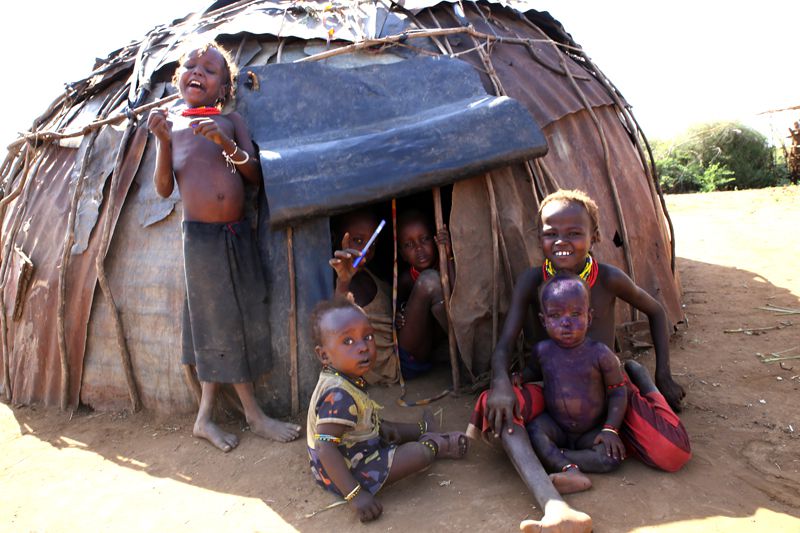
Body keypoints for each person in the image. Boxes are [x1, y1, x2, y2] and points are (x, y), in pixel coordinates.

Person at [470, 189, 690, 532]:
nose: (562, 241)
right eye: (551, 233)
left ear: (595, 236)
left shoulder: (608, 278)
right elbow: (505, 344)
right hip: (551, 385)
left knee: (672, 453)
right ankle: (552, 503)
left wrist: (663, 376)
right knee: (496, 407)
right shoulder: (532, 280)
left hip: (608, 386)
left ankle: (640, 379)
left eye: (574, 233)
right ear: (538, 235)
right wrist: (501, 383)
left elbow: (657, 311)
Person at [147, 42, 300, 452]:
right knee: (219, 325)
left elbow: (254, 175)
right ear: (179, 77)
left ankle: (205, 417)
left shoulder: (230, 121)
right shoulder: (172, 127)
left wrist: (224, 143)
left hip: (237, 234)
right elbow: (163, 190)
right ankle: (252, 415)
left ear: (224, 88)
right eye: (190, 65)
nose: (197, 71)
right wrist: (162, 141)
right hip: (200, 239)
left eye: (209, 69)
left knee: (236, 319)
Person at [306, 297, 468, 522]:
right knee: (417, 455)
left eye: (368, 337)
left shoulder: (342, 376)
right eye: (348, 341)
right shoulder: (339, 395)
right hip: (349, 472)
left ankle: (422, 428)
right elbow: (325, 447)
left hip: (352, 450)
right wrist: (355, 495)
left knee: (385, 427)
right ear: (324, 355)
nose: (363, 347)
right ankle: (435, 445)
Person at [523, 273, 627, 494]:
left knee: (611, 457)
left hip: (591, 430)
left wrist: (610, 429)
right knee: (534, 430)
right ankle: (568, 469)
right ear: (544, 321)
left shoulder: (600, 353)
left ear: (589, 318)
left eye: (575, 314)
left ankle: (558, 459)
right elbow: (532, 372)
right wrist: (517, 378)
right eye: (555, 315)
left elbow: (618, 391)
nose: (566, 323)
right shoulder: (542, 351)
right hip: (556, 425)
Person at [329, 209, 398, 384]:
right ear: (336, 237)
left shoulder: (369, 272)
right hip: (389, 367)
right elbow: (337, 320)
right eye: (358, 241)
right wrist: (344, 280)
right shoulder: (341, 282)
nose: (366, 250)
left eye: (372, 243)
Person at [394, 209, 455, 378]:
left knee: (443, 294)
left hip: (437, 341)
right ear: (402, 255)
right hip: (415, 351)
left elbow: (459, 295)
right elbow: (394, 308)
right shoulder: (406, 279)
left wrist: (448, 255)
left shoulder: (447, 265)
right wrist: (398, 315)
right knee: (429, 282)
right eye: (409, 245)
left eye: (425, 239)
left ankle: (458, 354)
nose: (419, 249)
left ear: (435, 240)